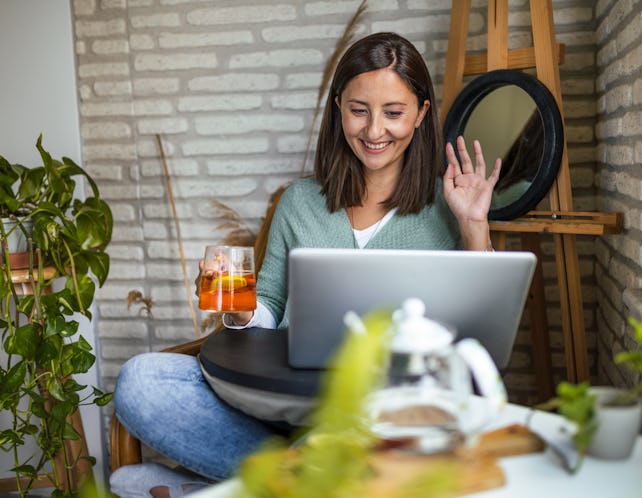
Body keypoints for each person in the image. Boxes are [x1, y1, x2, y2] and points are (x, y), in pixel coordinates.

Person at [110, 32, 501, 498]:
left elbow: (481, 340)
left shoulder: (447, 207)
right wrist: (239, 310)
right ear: (339, 108)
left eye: (393, 113)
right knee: (140, 380)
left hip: (382, 417)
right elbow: (271, 303)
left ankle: (222, 489)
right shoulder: (300, 201)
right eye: (359, 110)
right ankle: (294, 482)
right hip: (284, 405)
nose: (374, 131)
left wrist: (475, 224)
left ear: (421, 113)